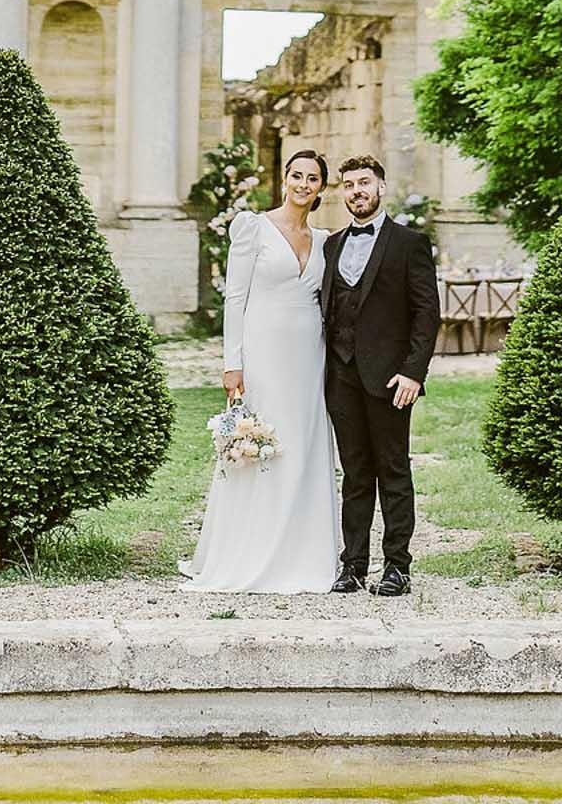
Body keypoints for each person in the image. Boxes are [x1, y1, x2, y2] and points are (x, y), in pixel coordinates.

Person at [179, 149, 341, 593]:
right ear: (283, 179)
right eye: (297, 175)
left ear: (321, 188)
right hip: (263, 350)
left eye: (313, 178)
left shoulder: (326, 240)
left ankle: (305, 553)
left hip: (310, 354)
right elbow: (235, 298)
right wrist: (233, 362)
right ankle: (248, 551)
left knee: (305, 443)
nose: (303, 184)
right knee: (261, 440)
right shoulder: (253, 228)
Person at [321, 153, 440, 597]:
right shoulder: (331, 245)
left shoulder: (409, 243)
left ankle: (397, 567)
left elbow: (427, 314)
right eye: (349, 185)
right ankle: (352, 566)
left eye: (364, 183)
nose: (357, 191)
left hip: (391, 380)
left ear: (381, 188)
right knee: (354, 475)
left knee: (392, 471)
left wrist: (413, 373)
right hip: (342, 377)